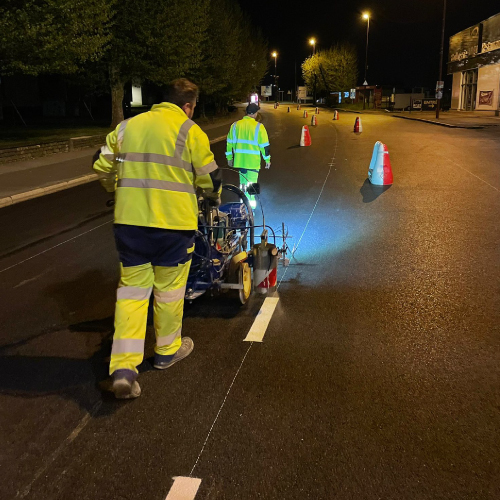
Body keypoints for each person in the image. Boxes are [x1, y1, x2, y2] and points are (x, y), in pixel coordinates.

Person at [93, 78, 222, 399]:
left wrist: (114, 188)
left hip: (130, 225)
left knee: (132, 294)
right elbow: (209, 177)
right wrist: (213, 196)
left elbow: (102, 164)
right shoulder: (189, 130)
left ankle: (123, 369)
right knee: (169, 291)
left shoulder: (126, 128)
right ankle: (166, 352)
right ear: (188, 105)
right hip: (174, 227)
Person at [225, 103, 270, 209]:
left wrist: (229, 158)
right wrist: (267, 160)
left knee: (243, 185)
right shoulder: (259, 127)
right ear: (254, 114)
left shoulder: (235, 126)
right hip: (253, 163)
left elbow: (229, 144)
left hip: (240, 162)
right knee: (252, 186)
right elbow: (265, 146)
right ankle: (251, 209)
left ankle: (243, 206)